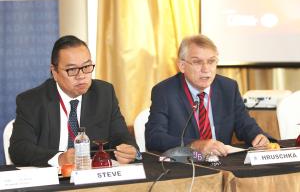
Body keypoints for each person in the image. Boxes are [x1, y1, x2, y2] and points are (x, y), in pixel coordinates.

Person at [9, 35, 139, 167]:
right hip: (52, 178)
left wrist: (128, 151)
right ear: (54, 72)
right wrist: (59, 158)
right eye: (72, 69)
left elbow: (121, 136)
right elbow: (19, 149)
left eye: (86, 66)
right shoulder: (31, 101)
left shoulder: (104, 93)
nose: (81, 76)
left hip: (92, 178)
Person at [145, 34, 271, 157]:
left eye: (211, 61)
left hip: (223, 163)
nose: (206, 69)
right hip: (187, 165)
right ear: (182, 66)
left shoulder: (228, 88)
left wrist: (257, 136)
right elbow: (154, 137)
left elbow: (245, 124)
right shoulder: (165, 92)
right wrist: (194, 145)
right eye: (197, 62)